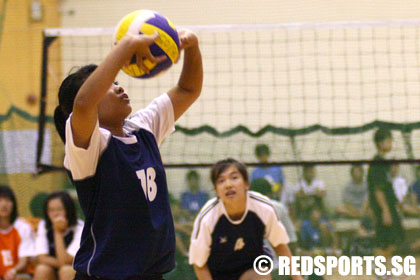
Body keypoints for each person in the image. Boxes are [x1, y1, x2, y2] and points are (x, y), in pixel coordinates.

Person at [52, 29, 203, 280]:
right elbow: (83, 104)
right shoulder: (88, 145)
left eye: (117, 82)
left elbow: (188, 90)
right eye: (109, 86)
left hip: (149, 272)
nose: (119, 88)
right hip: (106, 274)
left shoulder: (143, 127)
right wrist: (126, 47)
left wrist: (193, 48)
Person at [189, 158, 302, 280]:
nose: (228, 185)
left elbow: (280, 245)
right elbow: (199, 264)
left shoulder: (263, 208)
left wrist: (297, 278)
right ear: (216, 190)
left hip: (252, 265)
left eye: (234, 178)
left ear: (246, 184)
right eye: (221, 181)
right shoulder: (207, 218)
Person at [367, 128, 404, 273]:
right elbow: (378, 190)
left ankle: (381, 269)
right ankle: (380, 270)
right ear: (380, 143)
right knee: (384, 240)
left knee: (392, 239)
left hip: (389, 206)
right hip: (384, 208)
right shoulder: (377, 163)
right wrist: (385, 211)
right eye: (388, 140)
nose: (391, 143)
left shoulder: (384, 162)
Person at [34, 191, 84, 280]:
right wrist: (60, 263)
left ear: (69, 210)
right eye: (51, 210)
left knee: (66, 270)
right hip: (53, 268)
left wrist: (58, 232)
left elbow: (66, 261)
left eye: (60, 209)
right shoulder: (44, 225)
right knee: (42, 269)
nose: (55, 214)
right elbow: (41, 258)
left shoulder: (80, 228)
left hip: (74, 270)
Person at [0, 185, 35, 280]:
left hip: (20, 274)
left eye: (7, 200)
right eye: (0, 201)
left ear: (13, 204)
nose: (4, 205)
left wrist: (13, 271)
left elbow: (23, 261)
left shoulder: (23, 227)